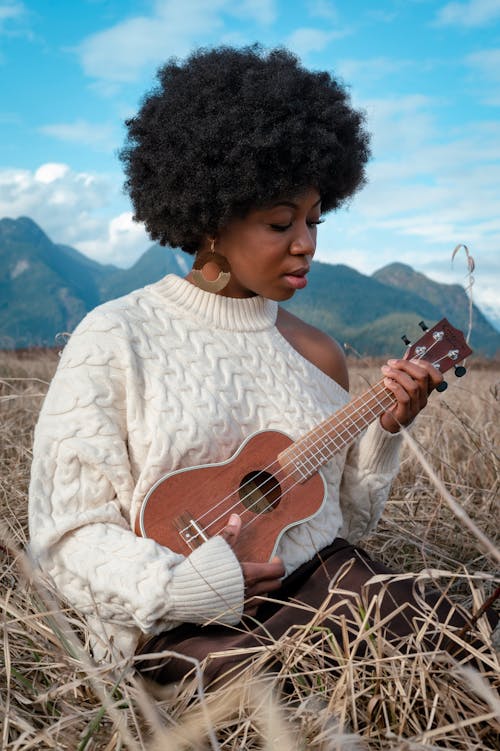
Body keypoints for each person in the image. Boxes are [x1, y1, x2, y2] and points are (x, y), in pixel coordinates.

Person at [28, 46, 476, 689]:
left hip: (319, 600)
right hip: (181, 632)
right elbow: (65, 538)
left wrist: (387, 428)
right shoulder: (116, 335)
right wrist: (197, 586)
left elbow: (339, 523)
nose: (307, 244)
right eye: (279, 221)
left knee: (418, 621)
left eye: (315, 220)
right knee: (258, 677)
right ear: (210, 215)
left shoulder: (317, 354)